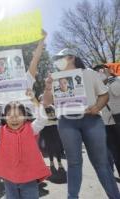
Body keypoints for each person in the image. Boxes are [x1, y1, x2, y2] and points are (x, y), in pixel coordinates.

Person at [44, 48, 120, 199]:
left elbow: (104, 95)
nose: (57, 61)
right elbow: (46, 102)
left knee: (102, 163)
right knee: (73, 163)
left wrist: (97, 107)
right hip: (67, 122)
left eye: (60, 57)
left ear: (71, 57)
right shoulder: (54, 78)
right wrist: (47, 87)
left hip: (91, 120)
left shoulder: (90, 73)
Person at [0, 101, 51, 199]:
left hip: (29, 179)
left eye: (19, 115)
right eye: (9, 115)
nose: (14, 119)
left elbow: (42, 120)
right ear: (4, 117)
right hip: (9, 179)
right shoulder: (1, 131)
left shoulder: (31, 128)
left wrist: (36, 103)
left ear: (25, 116)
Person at [93, 64, 120, 178]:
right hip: (106, 124)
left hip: (118, 119)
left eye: (101, 71)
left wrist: (108, 78)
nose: (99, 74)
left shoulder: (115, 81)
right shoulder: (95, 87)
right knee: (115, 153)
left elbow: (117, 92)